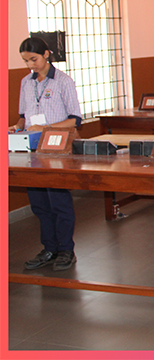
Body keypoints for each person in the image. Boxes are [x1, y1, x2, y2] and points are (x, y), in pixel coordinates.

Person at [10, 37, 82, 271]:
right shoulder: (26, 82)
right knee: (39, 204)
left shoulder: (63, 81)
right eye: (25, 61)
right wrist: (16, 127)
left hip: (56, 149)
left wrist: (45, 128)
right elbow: (24, 116)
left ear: (46, 54)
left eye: (34, 59)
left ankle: (66, 250)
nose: (30, 65)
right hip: (32, 150)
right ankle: (49, 248)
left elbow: (75, 120)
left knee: (59, 202)